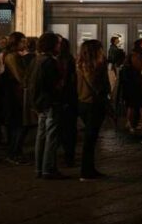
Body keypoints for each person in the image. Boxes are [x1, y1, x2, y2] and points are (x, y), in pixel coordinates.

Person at [29, 32, 65, 179]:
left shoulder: (37, 60)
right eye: (57, 44)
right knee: (51, 136)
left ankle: (39, 168)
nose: (59, 46)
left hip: (40, 102)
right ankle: (48, 169)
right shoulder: (50, 62)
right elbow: (53, 84)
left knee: (41, 135)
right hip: (50, 102)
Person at [76, 39, 110, 180]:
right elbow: (96, 86)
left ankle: (89, 169)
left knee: (91, 138)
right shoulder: (92, 66)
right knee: (90, 138)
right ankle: (86, 171)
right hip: (93, 104)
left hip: (83, 102)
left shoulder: (79, 64)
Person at [1, 32, 31, 164]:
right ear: (16, 42)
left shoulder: (13, 56)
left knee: (17, 125)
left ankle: (15, 152)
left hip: (14, 94)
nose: (25, 44)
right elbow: (20, 76)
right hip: (14, 95)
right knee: (18, 125)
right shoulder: (12, 57)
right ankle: (14, 153)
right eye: (23, 41)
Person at [56, 36, 78, 166]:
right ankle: (68, 155)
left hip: (64, 97)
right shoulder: (67, 59)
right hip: (68, 98)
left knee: (64, 128)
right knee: (68, 129)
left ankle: (67, 155)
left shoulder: (63, 59)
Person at [120, 39, 142, 133]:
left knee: (131, 105)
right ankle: (140, 123)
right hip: (138, 83)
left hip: (129, 84)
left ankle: (130, 123)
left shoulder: (129, 56)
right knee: (141, 104)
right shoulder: (140, 56)